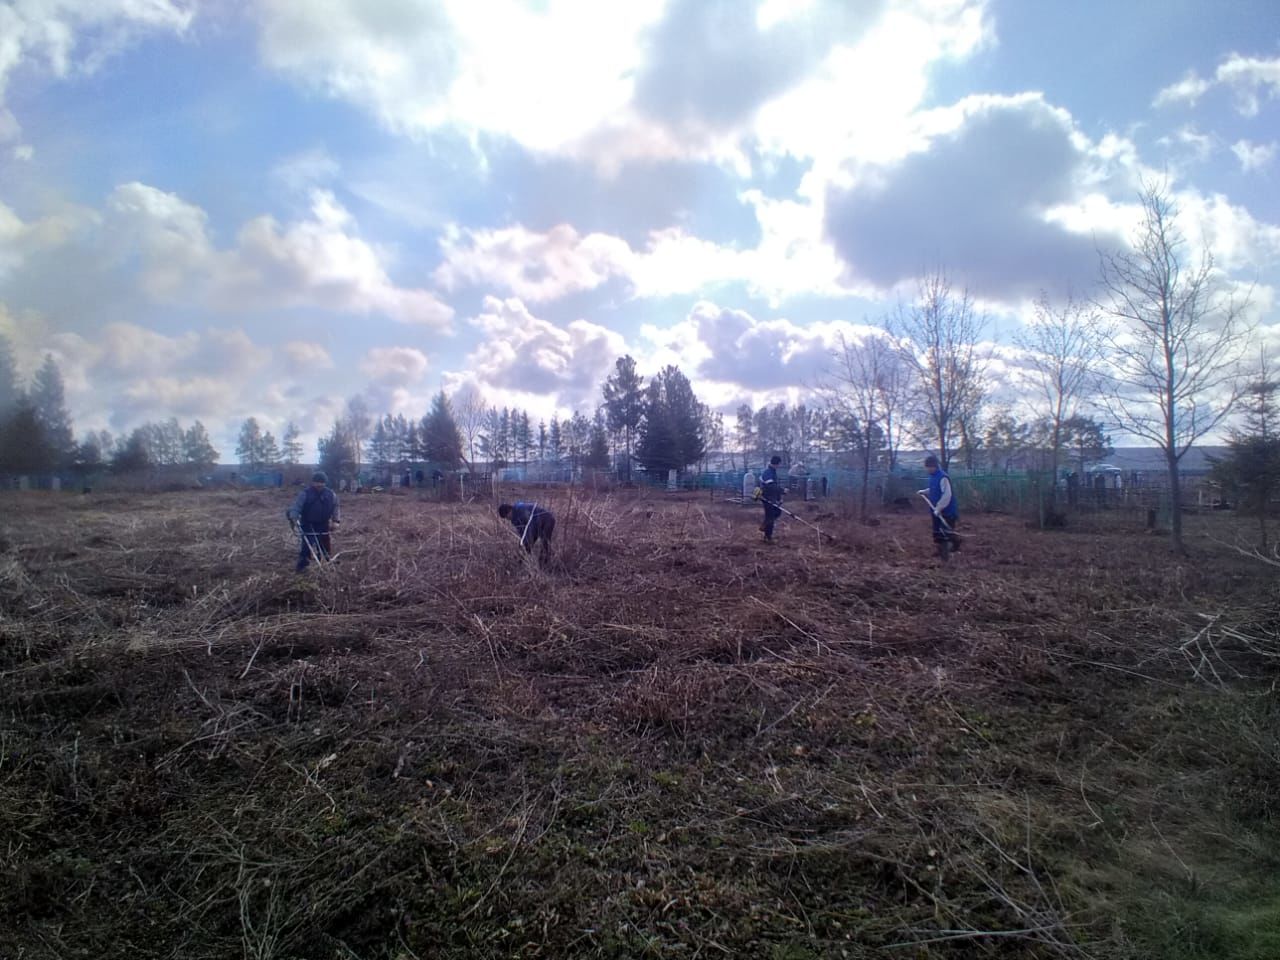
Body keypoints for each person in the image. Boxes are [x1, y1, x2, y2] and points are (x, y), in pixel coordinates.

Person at [287, 470, 341, 571]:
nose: (319, 484)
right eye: (316, 482)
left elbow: (336, 508)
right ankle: (303, 565)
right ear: (313, 482)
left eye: (321, 482)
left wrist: (336, 521)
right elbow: (296, 506)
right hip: (308, 523)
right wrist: (294, 517)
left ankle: (325, 561)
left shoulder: (331, 494)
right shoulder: (305, 494)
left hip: (324, 523)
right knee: (307, 545)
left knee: (325, 543)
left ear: (325, 483)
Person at [917, 455, 960, 560]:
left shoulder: (943, 477)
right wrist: (924, 491)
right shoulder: (933, 477)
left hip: (947, 511)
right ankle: (941, 552)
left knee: (945, 534)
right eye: (926, 467)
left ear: (934, 466)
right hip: (936, 511)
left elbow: (947, 495)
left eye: (929, 467)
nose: (927, 469)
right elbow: (934, 489)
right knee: (937, 534)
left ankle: (948, 554)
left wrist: (939, 507)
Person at [756, 455, 784, 542]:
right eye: (779, 464)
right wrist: (782, 490)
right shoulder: (768, 473)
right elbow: (771, 487)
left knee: (777, 512)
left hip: (772, 497)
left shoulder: (772, 472)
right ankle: (768, 537)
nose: (779, 466)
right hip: (767, 498)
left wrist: (779, 498)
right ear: (777, 463)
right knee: (770, 516)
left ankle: (765, 527)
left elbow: (774, 486)